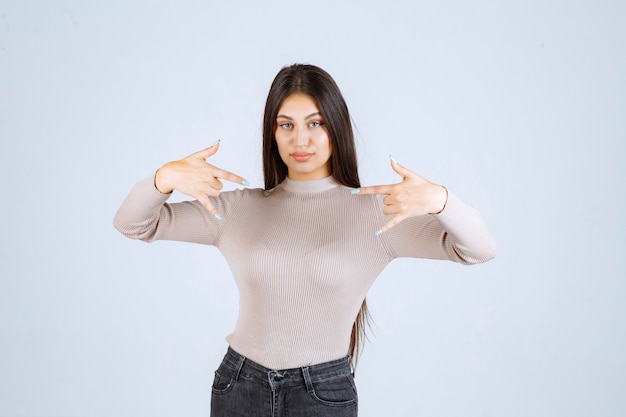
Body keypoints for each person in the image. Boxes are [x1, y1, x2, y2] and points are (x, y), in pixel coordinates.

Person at [113, 63, 497, 417]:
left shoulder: (378, 212)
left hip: (322, 393)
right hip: (239, 386)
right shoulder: (238, 209)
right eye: (286, 125)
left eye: (315, 123)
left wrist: (442, 201)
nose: (301, 139)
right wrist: (163, 178)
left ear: (336, 127)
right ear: (273, 133)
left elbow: (478, 250)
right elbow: (134, 224)